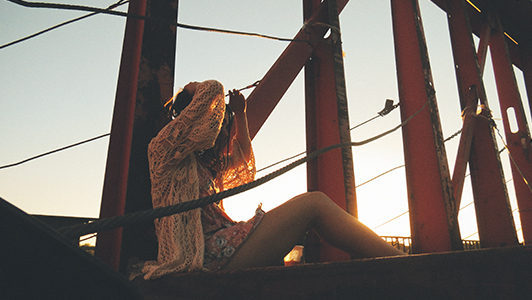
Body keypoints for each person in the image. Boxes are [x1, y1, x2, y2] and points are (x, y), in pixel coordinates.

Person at [141, 80, 405, 280]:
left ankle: (403, 262)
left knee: (313, 206)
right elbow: (212, 89)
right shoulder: (163, 151)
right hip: (202, 257)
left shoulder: (204, 165)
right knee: (314, 204)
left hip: (219, 250)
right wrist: (203, 90)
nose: (217, 124)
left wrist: (241, 114)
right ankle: (406, 264)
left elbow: (244, 164)